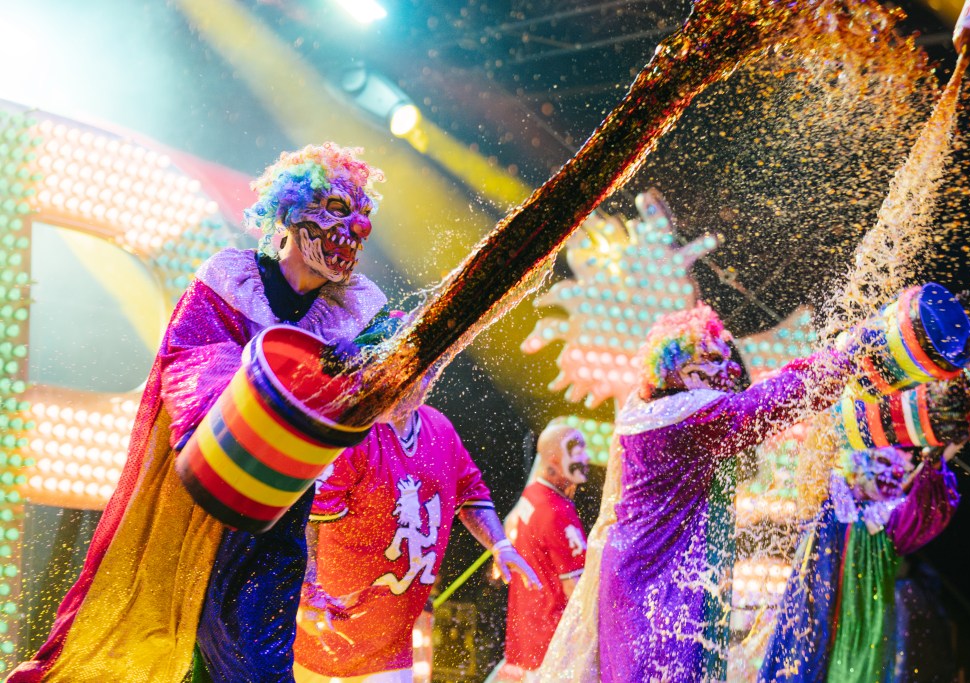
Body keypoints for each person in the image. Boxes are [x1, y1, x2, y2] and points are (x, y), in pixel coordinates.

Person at [9, 143, 389, 683]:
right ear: (289, 213)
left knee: (258, 661)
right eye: (332, 207)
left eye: (360, 215)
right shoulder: (231, 281)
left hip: (280, 512)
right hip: (203, 499)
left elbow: (371, 402)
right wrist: (256, 404)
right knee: (164, 639)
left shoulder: (354, 315)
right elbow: (191, 363)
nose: (350, 227)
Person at [537, 302, 855, 682]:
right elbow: (768, 404)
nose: (733, 368)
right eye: (716, 360)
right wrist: (840, 361)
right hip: (658, 577)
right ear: (686, 374)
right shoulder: (693, 416)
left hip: (633, 568)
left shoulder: (644, 411)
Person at [293, 397, 540, 683]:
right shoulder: (355, 432)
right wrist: (308, 588)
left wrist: (500, 545)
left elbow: (471, 492)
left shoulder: (441, 430)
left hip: (390, 648)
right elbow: (309, 517)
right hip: (324, 635)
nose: (405, 384)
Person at [758, 444, 961, 683]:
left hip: (859, 641)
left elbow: (926, 512)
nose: (890, 474)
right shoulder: (826, 502)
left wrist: (934, 467)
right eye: (881, 463)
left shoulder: (884, 524)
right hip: (807, 628)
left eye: (896, 469)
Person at [488, 422, 591, 682]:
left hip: (523, 646)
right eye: (578, 451)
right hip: (551, 653)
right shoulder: (559, 513)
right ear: (555, 460)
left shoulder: (531, 496)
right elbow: (577, 591)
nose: (586, 458)